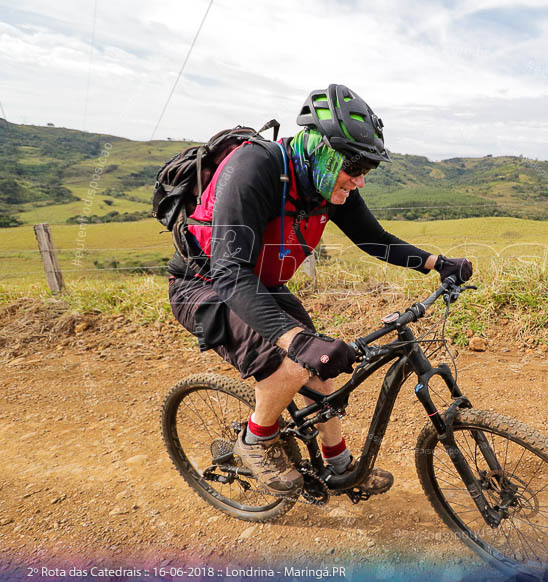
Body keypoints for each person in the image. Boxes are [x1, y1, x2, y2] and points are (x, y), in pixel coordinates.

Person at [167, 84, 472, 496]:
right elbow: (230, 273)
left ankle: (339, 467)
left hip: (261, 285)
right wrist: (295, 340)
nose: (361, 180)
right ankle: (256, 441)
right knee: (294, 360)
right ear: (322, 150)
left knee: (321, 366)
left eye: (369, 170)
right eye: (355, 167)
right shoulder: (253, 168)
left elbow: (371, 237)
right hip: (207, 286)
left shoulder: (321, 181)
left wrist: (437, 264)